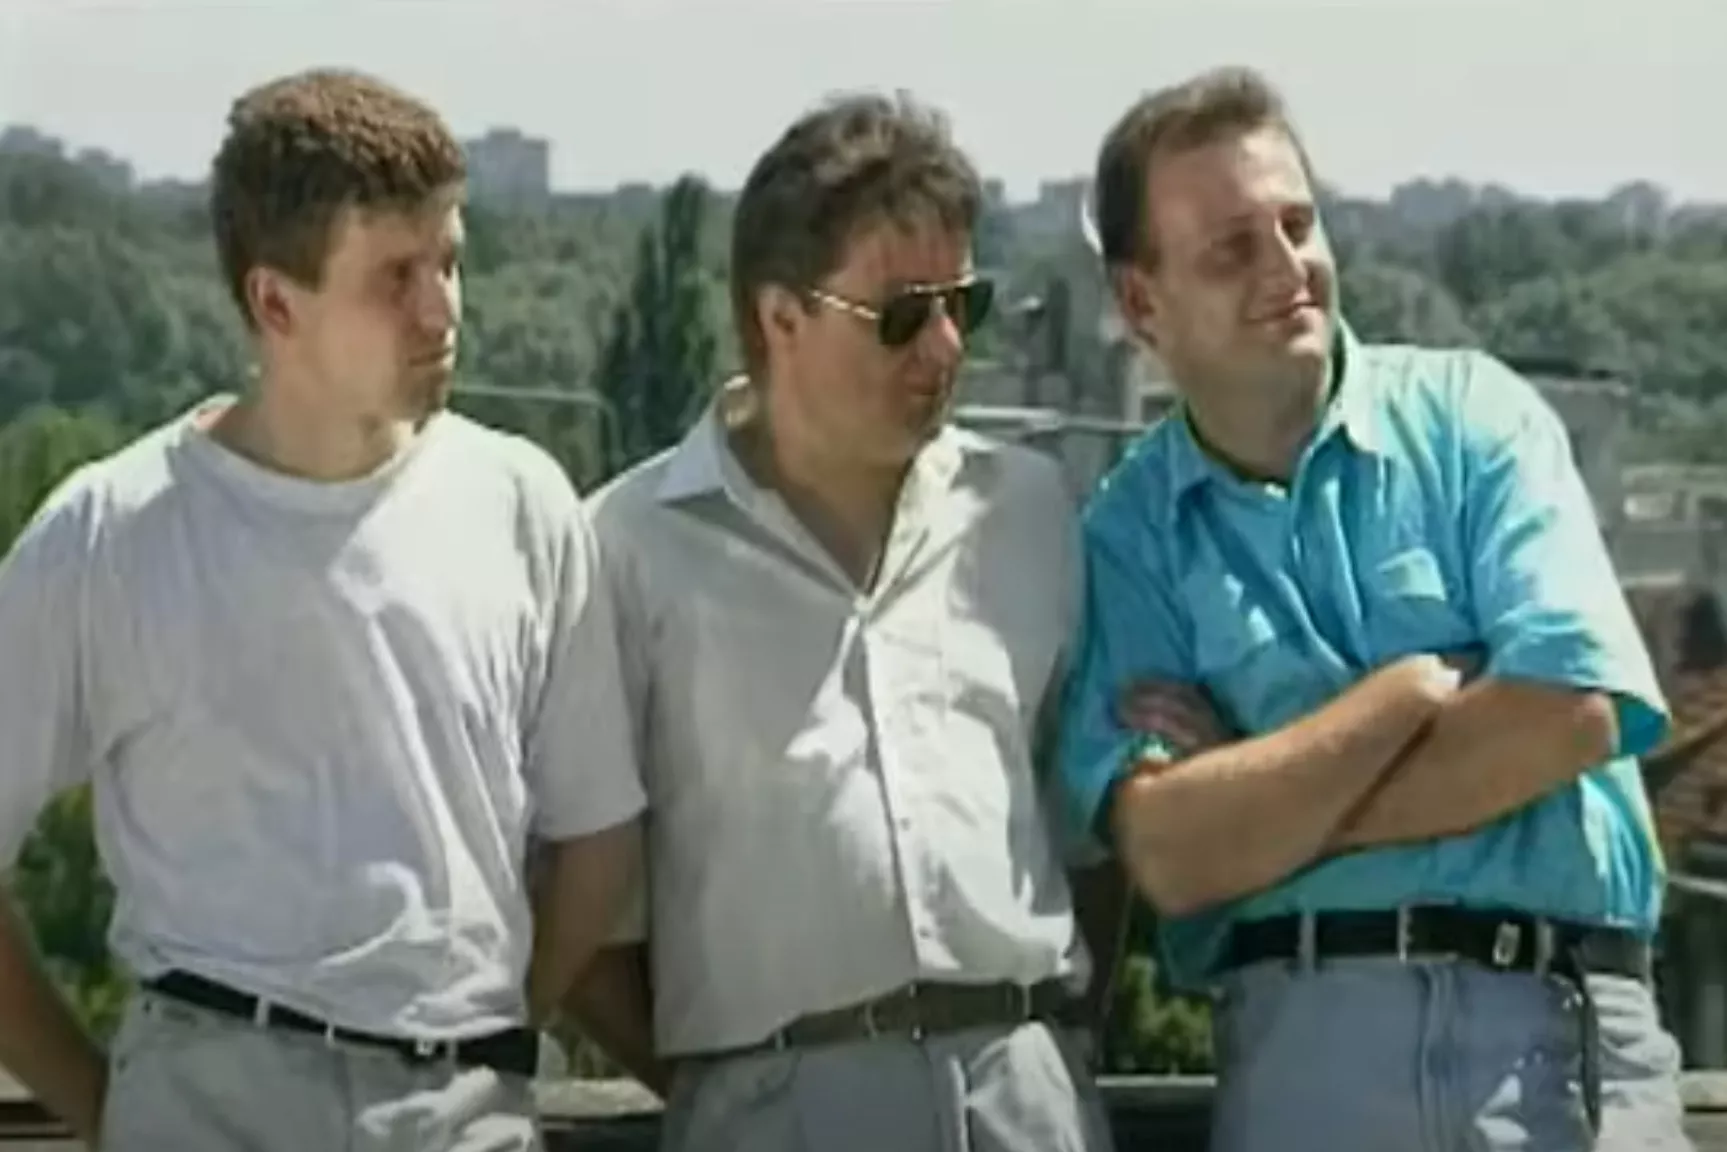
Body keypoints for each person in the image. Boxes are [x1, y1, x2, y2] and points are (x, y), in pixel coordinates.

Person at [0, 68, 644, 1150]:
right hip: (210, 1106)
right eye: (396, 275)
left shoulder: (523, 505)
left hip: (466, 1115)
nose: (443, 308)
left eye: (450, 260)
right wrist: (107, 1109)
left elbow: (598, 839)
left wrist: (480, 1034)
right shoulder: (111, 533)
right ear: (275, 303)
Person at [1057, 65, 1691, 1152]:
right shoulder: (1127, 533)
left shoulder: (1474, 420)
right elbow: (1169, 855)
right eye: (1232, 248)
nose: (1286, 268)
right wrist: (1399, 702)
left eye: (1297, 224)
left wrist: (1265, 802)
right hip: (1306, 1060)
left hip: (1557, 1033)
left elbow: (1567, 714)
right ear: (1140, 303)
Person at [564, 92, 1123, 1152]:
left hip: (1026, 1095)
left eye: (965, 303)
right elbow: (576, 912)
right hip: (771, 1106)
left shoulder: (1032, 513)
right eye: (903, 314)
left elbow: (1094, 845)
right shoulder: (623, 551)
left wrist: (1050, 1054)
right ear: (780, 318)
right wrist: (736, 1089)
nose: (944, 346)